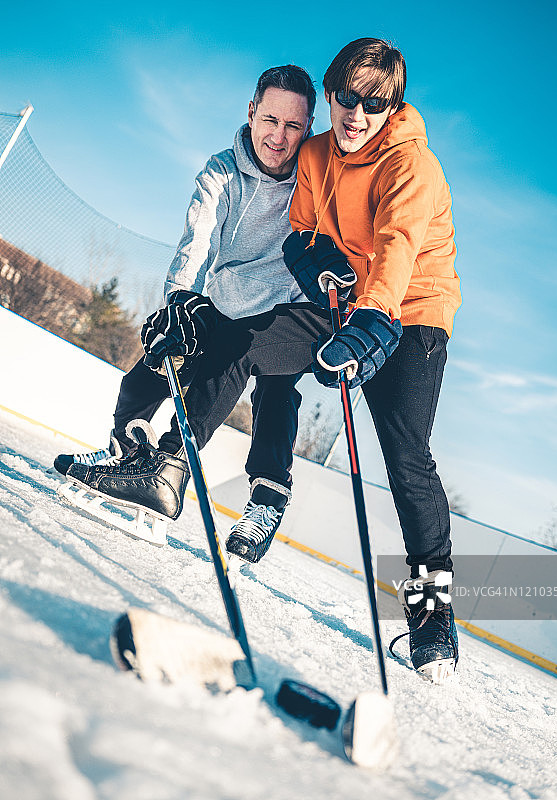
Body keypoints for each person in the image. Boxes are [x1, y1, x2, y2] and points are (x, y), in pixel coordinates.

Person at [68, 38, 461, 681]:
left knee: (407, 455)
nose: (355, 116)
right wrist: (316, 259)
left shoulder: (412, 168)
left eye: (373, 104)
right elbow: (303, 227)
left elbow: (397, 247)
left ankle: (433, 616)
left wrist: (374, 319)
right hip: (344, 297)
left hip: (411, 314)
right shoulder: (314, 151)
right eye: (345, 99)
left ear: (393, 108)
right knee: (250, 347)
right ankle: (168, 468)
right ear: (329, 96)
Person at [57, 64, 315, 562]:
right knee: (150, 370)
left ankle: (265, 497)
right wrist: (180, 301)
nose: (278, 138)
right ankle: (124, 452)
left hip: (277, 311)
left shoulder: (314, 180)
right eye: (269, 120)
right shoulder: (221, 170)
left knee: (277, 387)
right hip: (219, 300)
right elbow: (197, 241)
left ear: (306, 129)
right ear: (251, 112)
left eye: (293, 127)